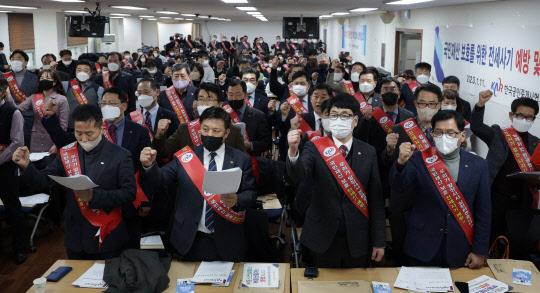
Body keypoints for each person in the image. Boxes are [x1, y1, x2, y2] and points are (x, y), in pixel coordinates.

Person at [13, 104, 136, 260]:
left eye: (90, 133)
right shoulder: (67, 153)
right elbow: (44, 181)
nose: (84, 139)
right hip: (76, 237)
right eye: (79, 133)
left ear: (102, 129)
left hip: (108, 237)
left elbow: (129, 193)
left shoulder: (120, 155)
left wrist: (94, 196)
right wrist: (26, 166)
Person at [140, 106, 256, 261]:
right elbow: (161, 179)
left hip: (227, 237)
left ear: (227, 133)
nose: (209, 135)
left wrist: (237, 200)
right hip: (189, 238)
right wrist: (149, 166)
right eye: (205, 129)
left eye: (216, 131)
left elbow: (251, 193)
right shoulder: (185, 156)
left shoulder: (241, 159)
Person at [287, 93, 386, 268]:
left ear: (355, 120)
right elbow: (298, 175)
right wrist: (294, 153)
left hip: (357, 238)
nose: (339, 120)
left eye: (345, 115)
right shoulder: (314, 147)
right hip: (320, 235)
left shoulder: (369, 152)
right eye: (334, 115)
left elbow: (376, 199)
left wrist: (379, 241)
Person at [389, 110, 491, 268]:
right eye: (439, 132)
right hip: (422, 243)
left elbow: (483, 211)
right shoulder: (418, 158)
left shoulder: (478, 164)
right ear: (432, 134)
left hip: (460, 246)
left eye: (450, 133)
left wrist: (479, 251)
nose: (444, 137)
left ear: (462, 136)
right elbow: (398, 185)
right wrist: (401, 162)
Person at [470, 91, 539, 258]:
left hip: (522, 201)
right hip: (496, 198)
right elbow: (477, 127)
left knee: (514, 244)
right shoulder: (498, 134)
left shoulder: (537, 142)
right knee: (488, 238)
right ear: (511, 115)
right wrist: (480, 105)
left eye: (530, 117)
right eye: (520, 115)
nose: (524, 120)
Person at [152, 82, 246, 161]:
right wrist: (159, 135)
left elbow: (242, 162)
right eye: (201, 99)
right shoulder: (185, 129)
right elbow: (163, 154)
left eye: (210, 99)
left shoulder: (233, 131)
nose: (204, 103)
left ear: (220, 104)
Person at [381, 83, 442, 169]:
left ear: (439, 105)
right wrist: (389, 150)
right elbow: (387, 164)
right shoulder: (400, 129)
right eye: (422, 103)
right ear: (416, 104)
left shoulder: (447, 130)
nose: (427, 107)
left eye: (431, 104)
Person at [0, 78, 27, 263]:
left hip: (6, 166)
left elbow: (17, 142)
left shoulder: (13, 112)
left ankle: (20, 248)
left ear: (2, 91)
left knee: (12, 208)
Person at [15, 69, 69, 154]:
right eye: (41, 78)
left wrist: (57, 144)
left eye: (47, 78)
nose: (44, 80)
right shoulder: (33, 97)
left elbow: (63, 125)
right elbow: (17, 110)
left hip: (53, 138)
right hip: (36, 138)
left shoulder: (62, 99)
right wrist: (8, 98)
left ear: (54, 82)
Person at [269, 70, 314, 161]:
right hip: (289, 146)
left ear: (308, 86)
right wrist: (284, 116)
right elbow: (277, 125)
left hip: (311, 145)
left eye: (302, 83)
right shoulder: (285, 103)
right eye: (296, 83)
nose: (299, 86)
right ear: (292, 86)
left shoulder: (314, 102)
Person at [225, 79, 272, 157]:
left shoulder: (259, 115)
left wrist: (250, 145)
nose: (234, 98)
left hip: (250, 159)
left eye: (238, 94)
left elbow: (267, 143)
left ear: (245, 95)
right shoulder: (223, 113)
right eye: (231, 94)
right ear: (227, 94)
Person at [2, 49, 38, 146]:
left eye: (19, 58)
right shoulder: (4, 77)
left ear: (26, 62)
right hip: (8, 115)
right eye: (13, 59)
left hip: (28, 116)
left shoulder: (34, 77)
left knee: (27, 143)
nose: (15, 61)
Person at [64, 60, 104, 130]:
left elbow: (101, 108)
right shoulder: (66, 85)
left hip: (90, 127)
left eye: (86, 71)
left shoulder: (98, 89)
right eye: (79, 70)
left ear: (91, 74)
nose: (82, 73)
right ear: (76, 73)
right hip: (70, 126)